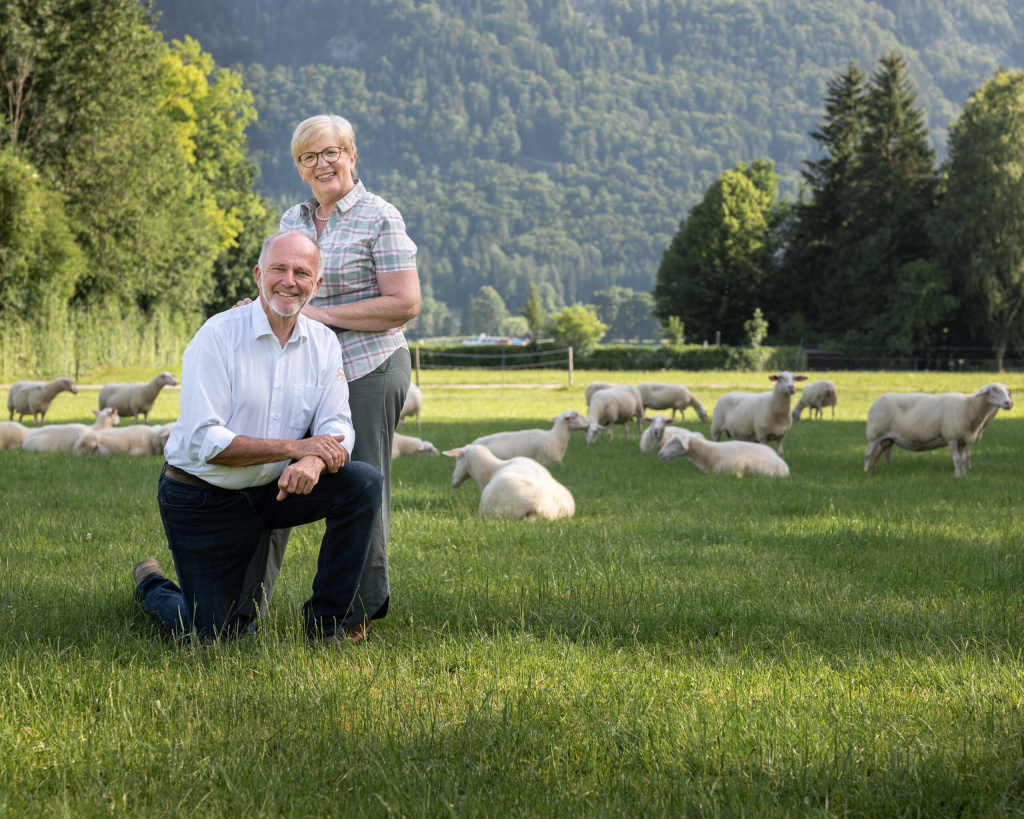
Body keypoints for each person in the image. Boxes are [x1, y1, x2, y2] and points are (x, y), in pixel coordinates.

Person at [132, 231, 383, 643]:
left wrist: (315, 460)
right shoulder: (217, 336)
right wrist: (295, 448)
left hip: (273, 490)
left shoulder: (323, 343)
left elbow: (338, 425)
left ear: (316, 285)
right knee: (213, 633)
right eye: (278, 269)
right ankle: (151, 585)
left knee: (362, 483)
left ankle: (326, 626)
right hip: (203, 496)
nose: (289, 280)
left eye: (302, 272)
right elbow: (205, 442)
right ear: (258, 274)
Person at [254, 114, 420, 641]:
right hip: (303, 367)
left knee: (361, 483)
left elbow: (404, 303)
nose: (322, 164)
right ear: (300, 168)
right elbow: (282, 287)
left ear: (352, 156)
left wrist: (319, 314)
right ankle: (245, 605)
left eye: (331, 152)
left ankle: (352, 613)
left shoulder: (379, 217)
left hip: (369, 368)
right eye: (309, 157)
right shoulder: (292, 219)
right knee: (272, 471)